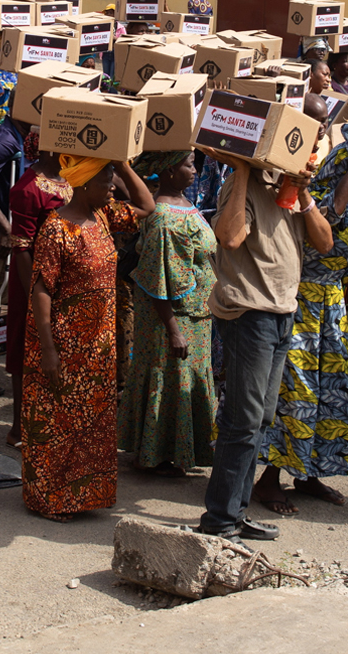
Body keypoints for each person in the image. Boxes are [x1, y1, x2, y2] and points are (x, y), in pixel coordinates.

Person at [198, 118, 332, 541]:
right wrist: (241, 171)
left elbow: (324, 243)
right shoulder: (245, 185)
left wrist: (303, 191)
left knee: (260, 420)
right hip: (249, 313)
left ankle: (235, 514)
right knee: (242, 421)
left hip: (281, 312)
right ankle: (220, 520)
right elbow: (230, 236)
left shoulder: (287, 189)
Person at [257, 113, 348, 511]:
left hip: (332, 309)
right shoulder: (316, 202)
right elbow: (329, 218)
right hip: (301, 306)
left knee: (328, 397)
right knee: (294, 394)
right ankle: (269, 479)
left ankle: (309, 473)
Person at [23, 155, 155, 521]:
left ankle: (83, 496)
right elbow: (41, 290)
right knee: (58, 423)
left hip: (97, 347)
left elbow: (147, 206)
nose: (112, 188)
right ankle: (50, 500)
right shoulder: (55, 229)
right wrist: (48, 349)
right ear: (82, 185)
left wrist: (124, 164)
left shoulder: (103, 216)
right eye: (106, 181)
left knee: (90, 425)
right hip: (64, 345)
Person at [118, 150, 218, 475]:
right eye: (189, 165)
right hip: (172, 319)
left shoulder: (185, 205)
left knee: (186, 382)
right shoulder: (163, 216)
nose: (195, 170)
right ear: (170, 171)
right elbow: (157, 277)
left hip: (196, 315)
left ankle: (178, 451)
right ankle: (156, 455)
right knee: (169, 380)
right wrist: (173, 329)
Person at [5, 140, 71, 448]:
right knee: (27, 345)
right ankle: (20, 425)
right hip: (32, 279)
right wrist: (36, 292)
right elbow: (21, 247)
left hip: (65, 279)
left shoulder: (75, 178)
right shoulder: (28, 189)